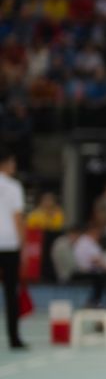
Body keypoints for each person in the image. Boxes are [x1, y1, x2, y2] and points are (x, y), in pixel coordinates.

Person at [0, 146, 26, 350]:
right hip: (9, 244)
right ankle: (14, 338)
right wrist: (22, 245)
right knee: (11, 292)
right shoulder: (14, 187)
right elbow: (17, 218)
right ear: (7, 163)